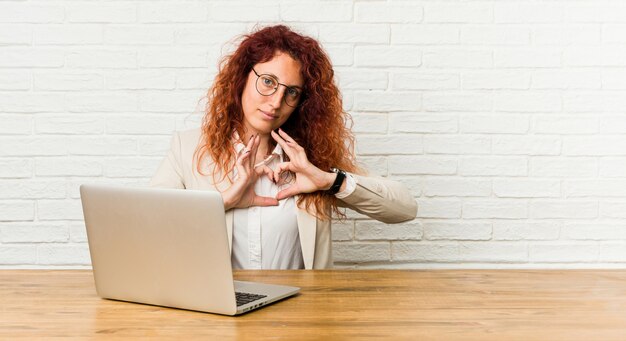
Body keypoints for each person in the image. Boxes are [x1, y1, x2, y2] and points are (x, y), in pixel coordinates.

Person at [150, 25, 417, 269]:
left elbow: (404, 209)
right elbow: (148, 228)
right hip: (218, 314)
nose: (276, 102)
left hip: (300, 316)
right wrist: (224, 202)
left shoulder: (312, 160)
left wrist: (329, 181)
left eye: (291, 92)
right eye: (268, 82)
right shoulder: (188, 148)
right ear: (242, 78)